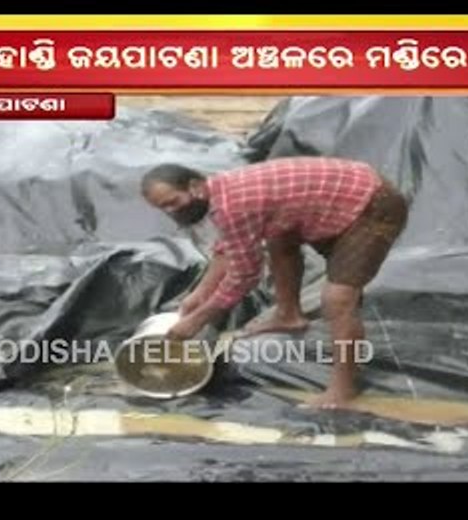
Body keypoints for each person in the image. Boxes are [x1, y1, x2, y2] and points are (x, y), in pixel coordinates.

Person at [141, 157, 409, 409]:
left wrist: (197, 320)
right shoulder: (220, 194)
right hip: (336, 196)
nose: (172, 213)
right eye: (163, 208)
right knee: (280, 238)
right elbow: (227, 249)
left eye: (173, 202)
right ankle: (288, 315)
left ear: (195, 187)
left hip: (372, 204)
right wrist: (199, 294)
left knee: (338, 299)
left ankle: (343, 389)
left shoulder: (231, 206)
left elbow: (245, 276)